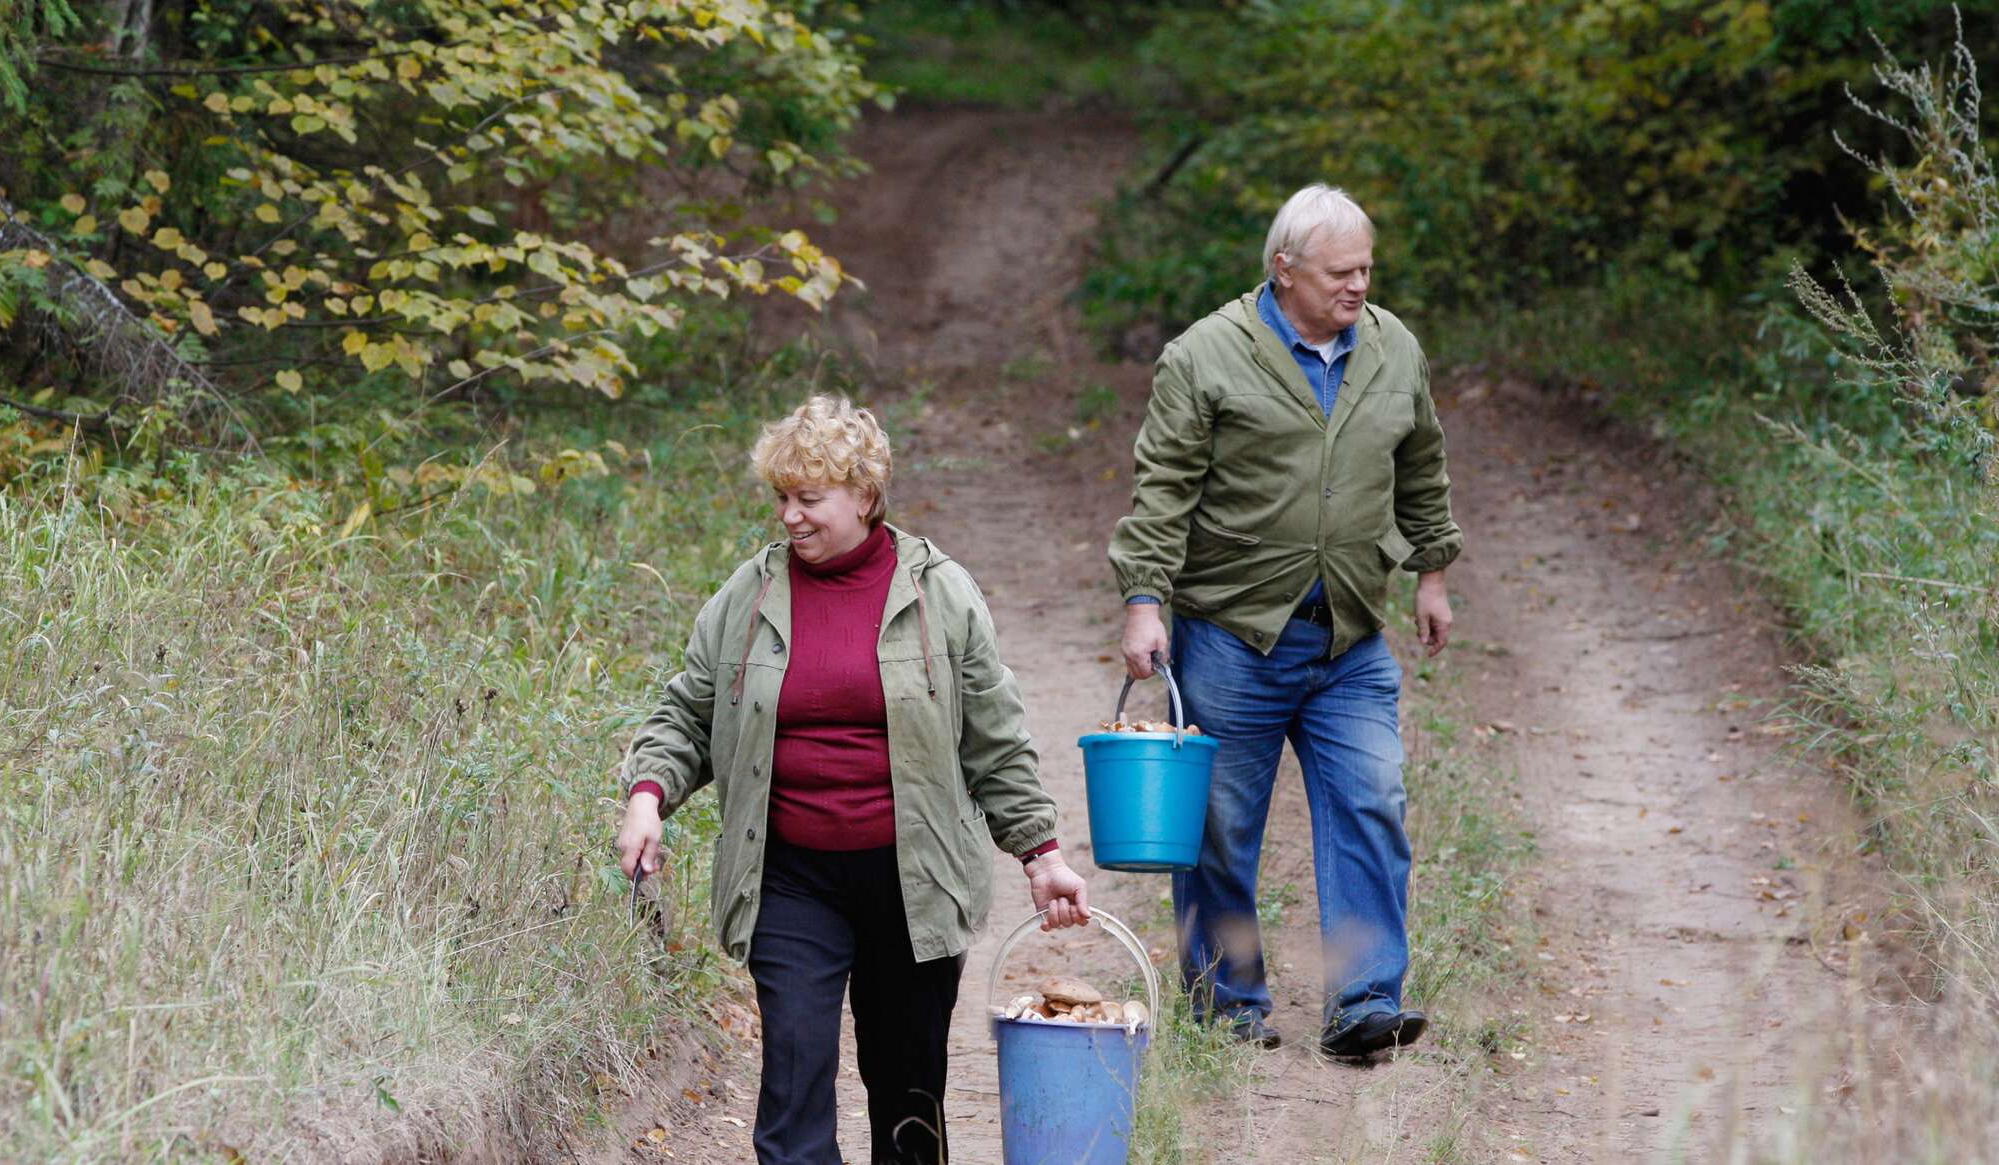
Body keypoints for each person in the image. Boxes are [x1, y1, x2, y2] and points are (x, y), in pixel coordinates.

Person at [616, 394, 1090, 1164]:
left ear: (865, 496)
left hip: (915, 877)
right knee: (793, 1085)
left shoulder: (941, 595)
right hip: (790, 877)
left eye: (810, 498)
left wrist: (1041, 852)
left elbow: (995, 740)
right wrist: (648, 797)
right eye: (781, 498)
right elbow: (688, 714)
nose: (791, 517)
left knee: (907, 1094)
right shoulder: (749, 597)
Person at [1107, 184, 1461, 1059]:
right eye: (1341, 271)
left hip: (1349, 634)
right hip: (1233, 633)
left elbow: (1422, 462)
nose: (1357, 286)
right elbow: (1164, 489)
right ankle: (1227, 1003)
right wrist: (1144, 600)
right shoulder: (1206, 356)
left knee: (1372, 800)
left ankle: (1365, 1003)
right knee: (1221, 826)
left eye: (1367, 269)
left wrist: (1432, 571)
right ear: (1284, 268)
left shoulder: (1392, 348)